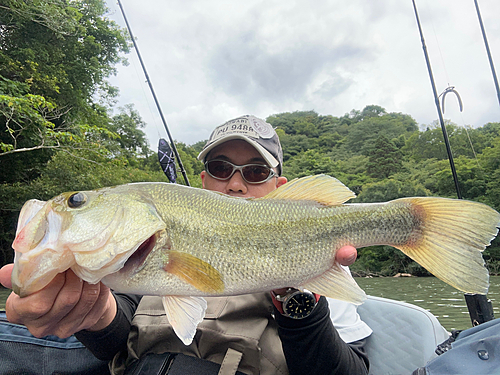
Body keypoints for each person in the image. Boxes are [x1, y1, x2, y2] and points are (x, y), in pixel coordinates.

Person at [0, 115, 372, 374]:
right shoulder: (136, 255)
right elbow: (116, 338)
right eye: (221, 168)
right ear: (202, 180)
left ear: (281, 186)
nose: (236, 184)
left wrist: (297, 298)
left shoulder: (324, 258)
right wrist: (94, 317)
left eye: (256, 172)